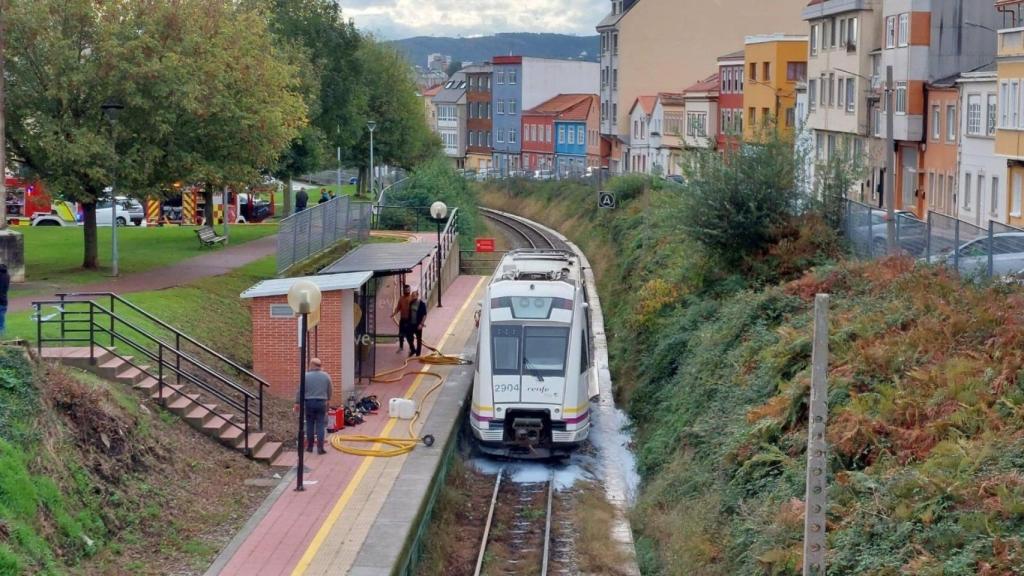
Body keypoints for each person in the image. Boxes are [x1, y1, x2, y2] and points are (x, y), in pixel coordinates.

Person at [294, 357, 332, 454]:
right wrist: (328, 400)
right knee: (320, 425)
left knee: (310, 424)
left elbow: (300, 390)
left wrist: (297, 402)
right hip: (321, 402)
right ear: (320, 366)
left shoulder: (305, 376)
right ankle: (320, 448)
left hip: (309, 402)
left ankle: (310, 447)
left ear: (312, 365)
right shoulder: (326, 376)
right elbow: (330, 390)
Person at [405, 290, 428, 357]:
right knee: (408, 336)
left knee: (418, 339)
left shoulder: (422, 304)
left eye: (414, 295)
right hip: (411, 324)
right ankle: (413, 349)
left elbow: (425, 315)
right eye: (412, 296)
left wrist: (421, 324)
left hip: (418, 325)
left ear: (417, 296)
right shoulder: (411, 303)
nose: (413, 297)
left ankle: (418, 353)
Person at [391, 284, 413, 353]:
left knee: (409, 334)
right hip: (402, 319)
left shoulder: (412, 298)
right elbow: (398, 308)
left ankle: (411, 347)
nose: (407, 291)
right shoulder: (401, 298)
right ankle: (401, 347)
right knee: (401, 334)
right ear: (404, 290)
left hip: (409, 320)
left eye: (409, 289)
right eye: (406, 290)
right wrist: (394, 313)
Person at [0, 264, 8, 338]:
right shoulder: (7, 276)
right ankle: (2, 332)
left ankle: (2, 333)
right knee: (2, 318)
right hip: (4, 300)